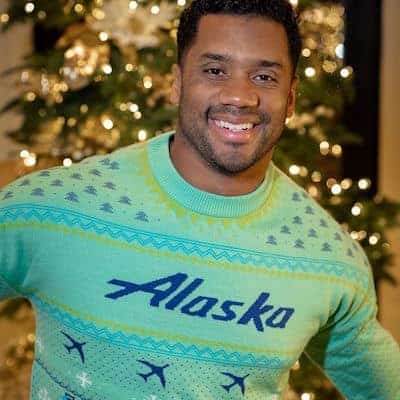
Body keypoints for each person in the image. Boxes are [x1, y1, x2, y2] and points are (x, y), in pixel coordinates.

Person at [0, 0, 399, 399]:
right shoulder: (51, 209)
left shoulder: (328, 259)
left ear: (291, 97)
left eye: (264, 76)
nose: (240, 97)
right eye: (215, 70)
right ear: (177, 82)